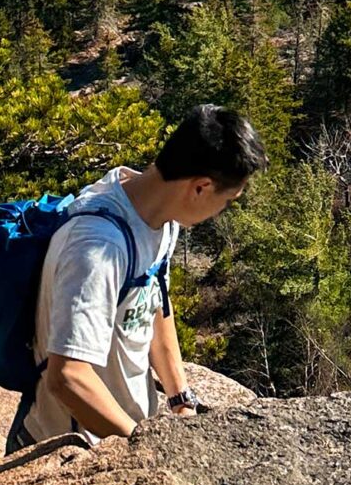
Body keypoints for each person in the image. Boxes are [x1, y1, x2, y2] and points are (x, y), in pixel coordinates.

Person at [17, 105, 265, 445]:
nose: (222, 212)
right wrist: (145, 446)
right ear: (201, 187)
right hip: (73, 448)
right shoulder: (97, 248)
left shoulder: (157, 216)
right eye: (228, 200)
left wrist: (180, 401)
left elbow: (154, 304)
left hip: (123, 432)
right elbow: (67, 377)